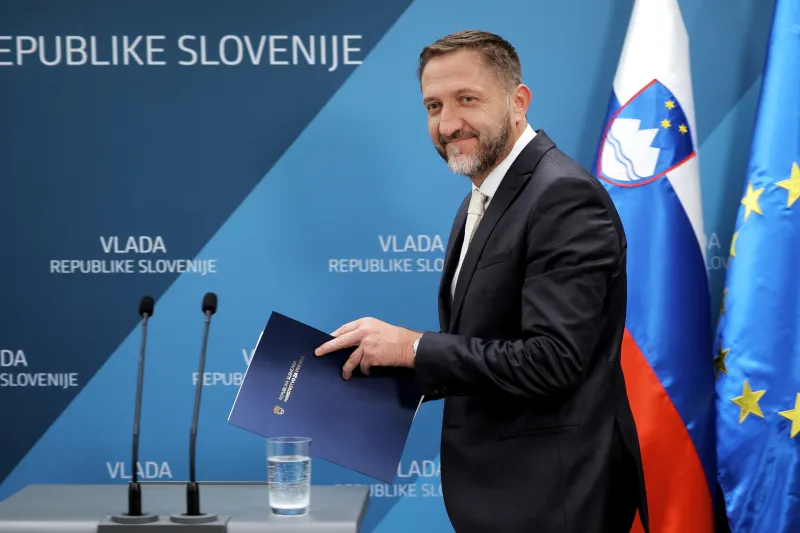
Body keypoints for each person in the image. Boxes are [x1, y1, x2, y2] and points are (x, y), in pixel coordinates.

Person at [315, 30, 649, 533]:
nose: (448, 123)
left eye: (467, 99)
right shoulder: (483, 197)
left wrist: (414, 348)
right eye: (433, 106)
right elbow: (489, 346)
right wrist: (380, 367)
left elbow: (553, 361)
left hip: (555, 501)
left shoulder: (563, 196)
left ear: (518, 101)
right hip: (504, 496)